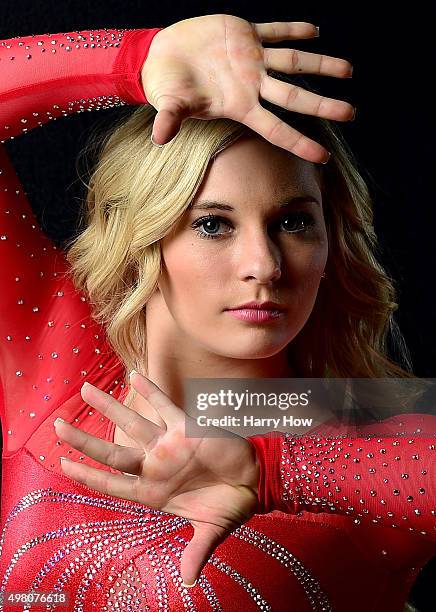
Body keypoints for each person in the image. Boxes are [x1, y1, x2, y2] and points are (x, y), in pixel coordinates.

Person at [0, 13, 434, 612]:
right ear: (143, 236)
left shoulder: (373, 436)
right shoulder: (62, 367)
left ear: (332, 241)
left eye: (292, 222)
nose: (264, 264)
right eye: (213, 224)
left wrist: (270, 467)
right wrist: (135, 61)